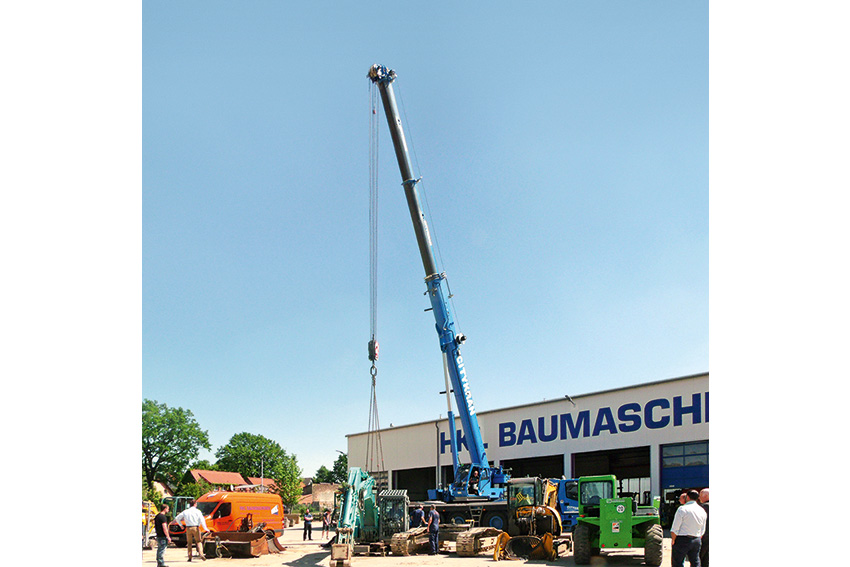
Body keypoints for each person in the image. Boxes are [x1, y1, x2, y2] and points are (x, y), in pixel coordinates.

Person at [670, 490, 707, 567]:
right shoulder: (702, 510)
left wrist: (673, 540)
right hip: (696, 539)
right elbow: (703, 529)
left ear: (687, 497)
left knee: (678, 562)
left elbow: (675, 528)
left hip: (682, 539)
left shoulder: (682, 509)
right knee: (695, 561)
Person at [699, 488, 709, 567]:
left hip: (705, 535)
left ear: (705, 496)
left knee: (700, 557)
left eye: (700, 496)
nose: (699, 498)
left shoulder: (703, 507)